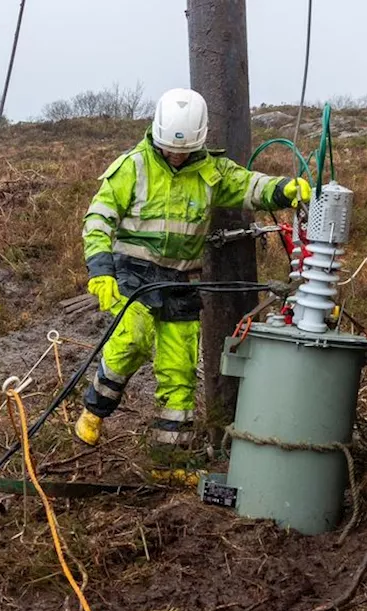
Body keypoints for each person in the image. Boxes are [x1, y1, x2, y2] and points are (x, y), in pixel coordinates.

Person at [74, 88, 311, 465]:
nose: (176, 155)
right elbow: (98, 219)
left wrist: (283, 190)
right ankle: (94, 410)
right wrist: (101, 271)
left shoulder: (212, 171)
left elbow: (249, 186)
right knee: (131, 341)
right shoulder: (132, 166)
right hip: (133, 274)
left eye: (183, 150)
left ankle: (169, 458)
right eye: (169, 148)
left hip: (182, 281)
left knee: (179, 367)